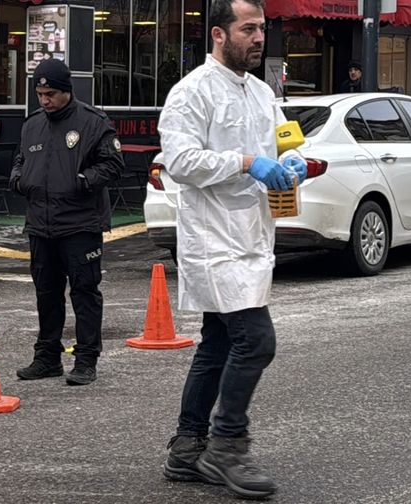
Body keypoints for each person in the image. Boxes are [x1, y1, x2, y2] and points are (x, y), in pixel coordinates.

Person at [156, 0, 307, 499]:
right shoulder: (191, 92)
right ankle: (226, 446)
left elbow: (286, 141)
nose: (259, 37)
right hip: (213, 239)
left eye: (262, 28)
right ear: (219, 35)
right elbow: (179, 160)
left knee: (218, 343)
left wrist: (294, 161)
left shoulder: (262, 91)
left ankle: (186, 448)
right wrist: (246, 162)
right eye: (248, 29)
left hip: (251, 235)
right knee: (256, 341)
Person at [9, 59, 124, 386]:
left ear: (67, 91)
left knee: (85, 291)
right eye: (39, 93)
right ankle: (47, 357)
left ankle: (86, 359)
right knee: (46, 292)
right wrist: (18, 179)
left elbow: (114, 165)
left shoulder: (93, 122)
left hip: (80, 224)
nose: (44, 100)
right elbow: (20, 161)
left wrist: (84, 181)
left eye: (50, 94)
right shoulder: (32, 124)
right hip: (40, 224)